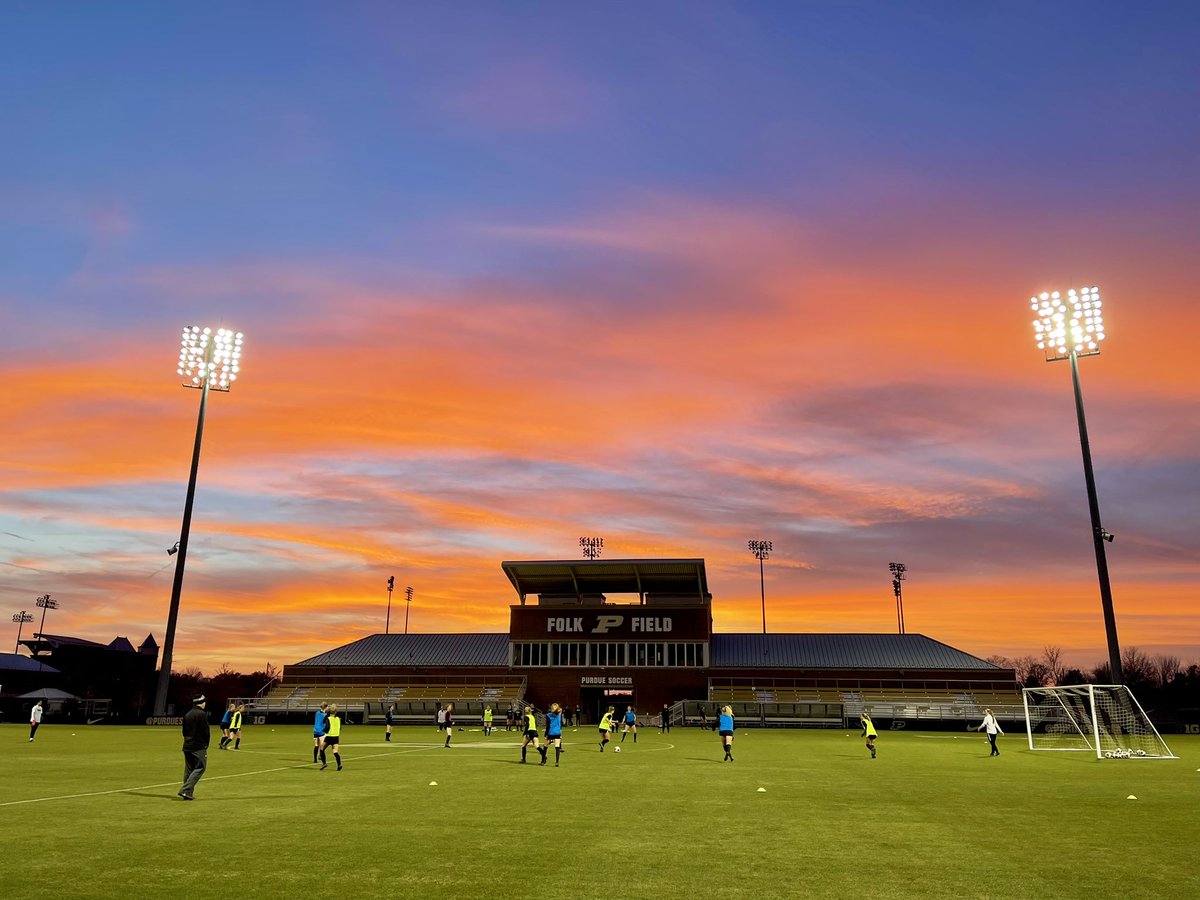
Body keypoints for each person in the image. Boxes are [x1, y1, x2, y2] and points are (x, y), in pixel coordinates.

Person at [178, 695, 210, 800]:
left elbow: (184, 731)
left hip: (187, 745)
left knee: (189, 769)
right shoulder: (202, 714)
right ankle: (185, 789)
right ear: (202, 702)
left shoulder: (188, 714)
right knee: (201, 767)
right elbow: (205, 731)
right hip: (198, 745)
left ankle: (187, 793)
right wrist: (206, 744)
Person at [320, 703, 343, 771]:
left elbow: (327, 726)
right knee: (335, 751)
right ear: (336, 712)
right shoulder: (339, 719)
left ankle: (324, 763)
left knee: (321, 749)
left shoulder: (328, 718)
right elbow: (340, 728)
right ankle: (339, 765)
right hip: (336, 737)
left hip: (329, 736)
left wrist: (324, 731)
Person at [545, 702, 565, 767]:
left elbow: (547, 726)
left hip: (550, 732)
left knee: (545, 746)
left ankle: (543, 760)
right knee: (557, 747)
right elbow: (560, 709)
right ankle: (557, 762)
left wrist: (546, 734)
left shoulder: (548, 715)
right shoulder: (559, 714)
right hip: (557, 732)